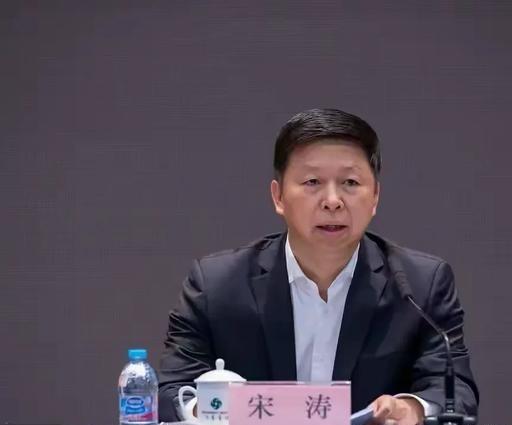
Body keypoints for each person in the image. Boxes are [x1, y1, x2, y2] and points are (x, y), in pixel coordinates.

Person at [158, 108, 479, 424]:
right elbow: (169, 392)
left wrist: (412, 409)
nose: (333, 201)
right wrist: (215, 410)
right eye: (312, 182)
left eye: (350, 182)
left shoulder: (420, 286)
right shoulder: (217, 286)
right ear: (278, 197)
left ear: (375, 197)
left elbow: (456, 392)